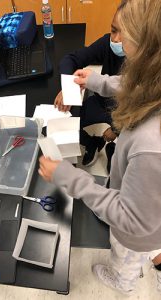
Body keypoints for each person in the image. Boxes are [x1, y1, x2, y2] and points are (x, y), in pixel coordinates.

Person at [39, 0, 161, 294]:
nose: (117, 42)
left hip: (135, 233)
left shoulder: (150, 148)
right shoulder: (152, 80)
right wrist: (97, 81)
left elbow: (130, 219)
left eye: (124, 35)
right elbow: (137, 86)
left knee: (128, 256)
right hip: (149, 210)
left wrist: (68, 178)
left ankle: (123, 281)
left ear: (145, 45)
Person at [54, 5, 125, 167]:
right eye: (114, 30)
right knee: (69, 121)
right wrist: (69, 88)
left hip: (127, 115)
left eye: (125, 34)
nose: (115, 39)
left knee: (121, 162)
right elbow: (70, 59)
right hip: (102, 103)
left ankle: (114, 152)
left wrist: (116, 129)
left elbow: (141, 111)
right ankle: (93, 143)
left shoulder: (146, 68)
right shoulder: (107, 44)